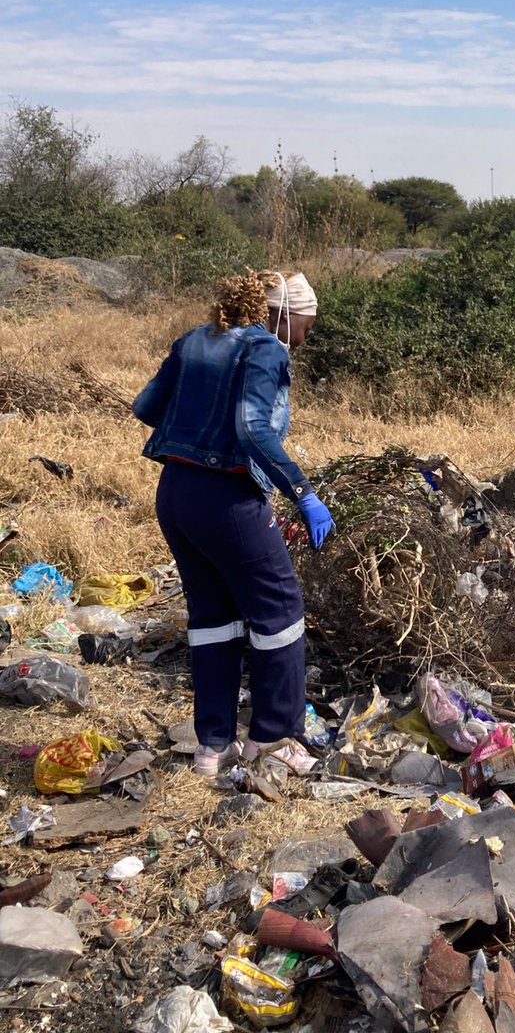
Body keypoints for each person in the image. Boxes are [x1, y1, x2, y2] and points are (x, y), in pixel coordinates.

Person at [132, 269, 334, 777]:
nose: (303, 338)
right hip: (227, 498)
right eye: (305, 327)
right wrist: (304, 493)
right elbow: (251, 429)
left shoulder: (195, 340)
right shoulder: (266, 348)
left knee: (213, 615)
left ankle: (212, 745)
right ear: (283, 315)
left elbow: (146, 406)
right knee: (280, 609)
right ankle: (272, 739)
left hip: (175, 494)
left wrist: (198, 418)